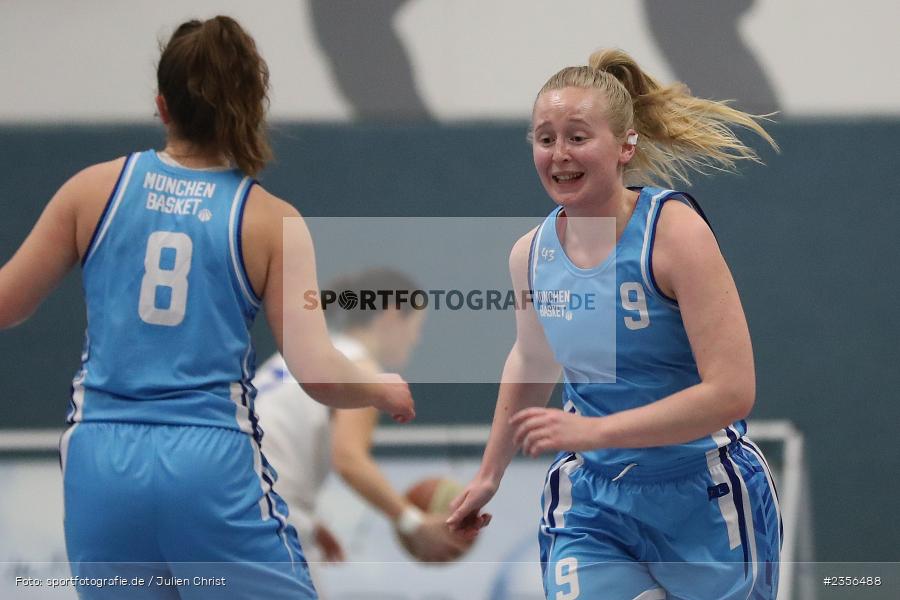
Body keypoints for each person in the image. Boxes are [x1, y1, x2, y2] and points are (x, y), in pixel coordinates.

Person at [0, 16, 413, 599]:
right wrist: (379, 388)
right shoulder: (269, 220)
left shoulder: (92, 190)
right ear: (250, 105)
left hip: (100, 457)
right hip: (206, 459)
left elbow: (6, 304)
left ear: (162, 105)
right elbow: (318, 373)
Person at [447, 48, 782, 599]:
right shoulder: (531, 254)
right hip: (594, 500)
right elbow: (533, 360)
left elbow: (732, 391)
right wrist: (490, 474)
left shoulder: (674, 234)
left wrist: (596, 430)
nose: (560, 154)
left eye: (578, 136)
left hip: (703, 492)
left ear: (626, 145)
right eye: (545, 137)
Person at [254, 268, 469, 577]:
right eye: (417, 326)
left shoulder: (304, 354)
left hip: (229, 495)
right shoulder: (362, 370)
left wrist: (308, 522)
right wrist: (412, 521)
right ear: (393, 315)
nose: (417, 339)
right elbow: (349, 459)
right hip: (270, 508)